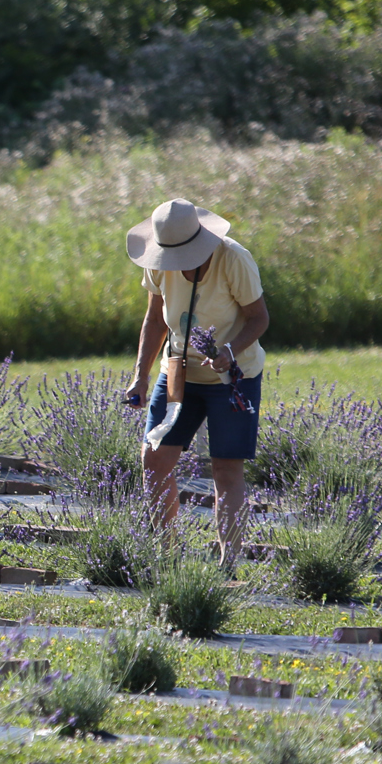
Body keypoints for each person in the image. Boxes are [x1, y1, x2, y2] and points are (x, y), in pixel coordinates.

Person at [122, 197, 271, 568]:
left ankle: (228, 563)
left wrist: (230, 352)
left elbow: (258, 318)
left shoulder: (234, 259)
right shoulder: (159, 264)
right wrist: (140, 375)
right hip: (178, 375)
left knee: (225, 467)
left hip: (233, 377)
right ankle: (167, 557)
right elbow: (155, 321)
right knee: (154, 459)